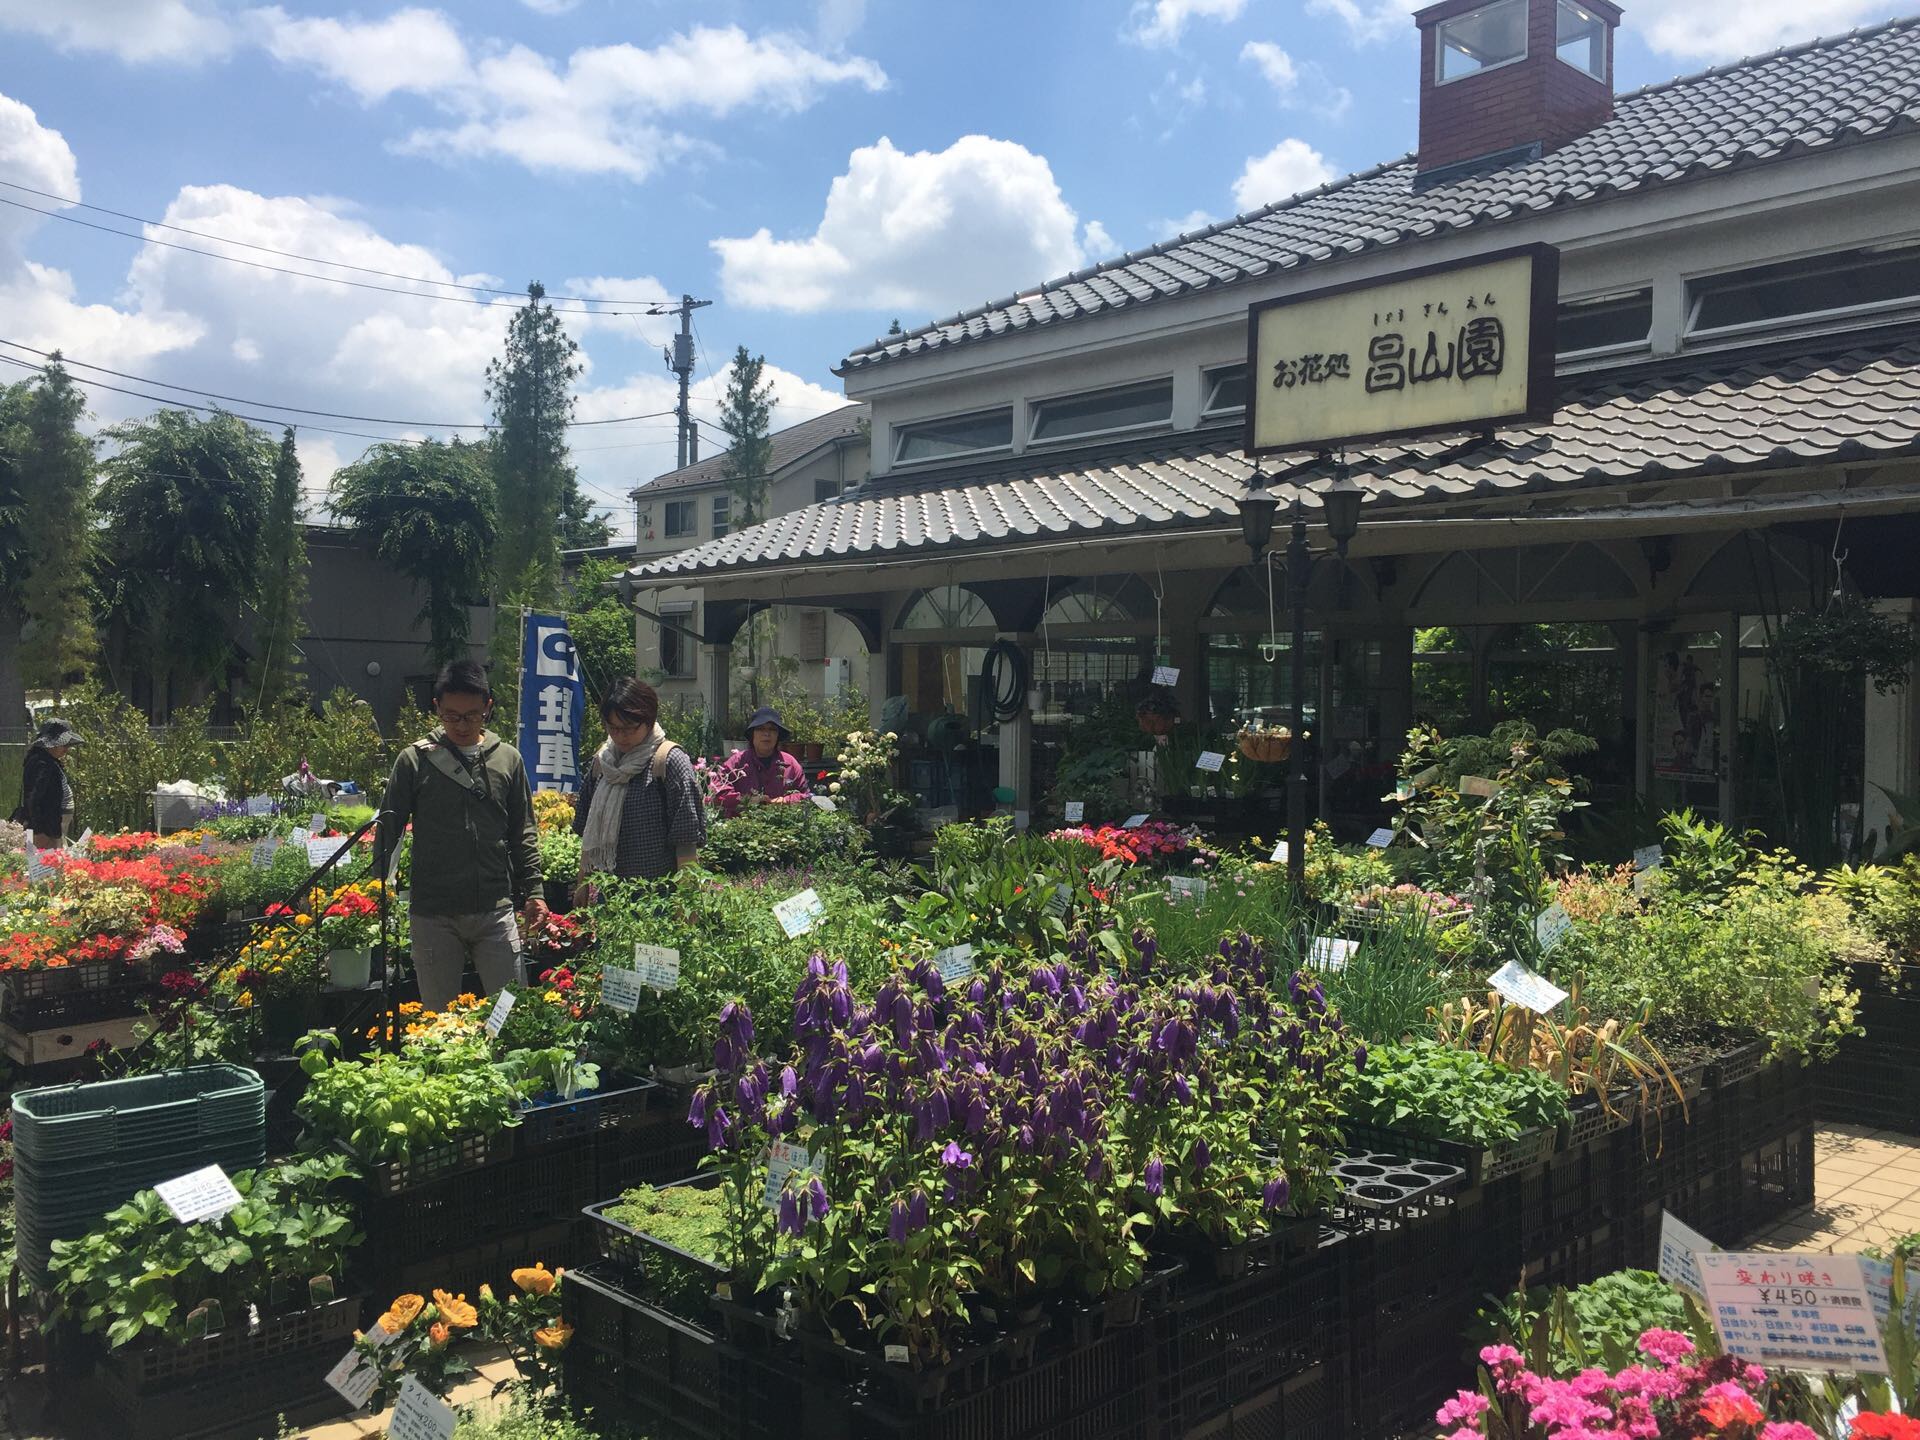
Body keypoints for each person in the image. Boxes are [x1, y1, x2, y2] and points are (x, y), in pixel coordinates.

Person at [378, 660, 545, 1012]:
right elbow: (388, 830)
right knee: (441, 1023)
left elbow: (523, 832)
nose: (461, 725)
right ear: (436, 708)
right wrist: (379, 885)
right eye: (451, 716)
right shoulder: (414, 761)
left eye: (471, 716)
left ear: (488, 707)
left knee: (512, 1013)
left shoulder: (508, 760)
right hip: (433, 915)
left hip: (495, 912)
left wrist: (536, 892)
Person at [572, 678, 708, 895]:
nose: (620, 736)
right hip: (610, 895)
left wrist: (686, 904)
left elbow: (686, 840)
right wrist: (582, 883)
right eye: (613, 728)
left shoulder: (669, 761)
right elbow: (589, 830)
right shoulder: (603, 762)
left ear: (648, 720)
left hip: (660, 899)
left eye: (628, 729)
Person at [716, 707, 811, 802]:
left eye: (772, 729)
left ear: (778, 735)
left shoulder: (790, 763)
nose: (767, 734)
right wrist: (748, 801)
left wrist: (784, 801)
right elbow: (718, 794)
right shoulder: (736, 763)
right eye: (761, 728)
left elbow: (806, 795)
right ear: (752, 734)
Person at [12, 719, 80, 849]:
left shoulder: (49, 761)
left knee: (56, 859)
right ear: (51, 744)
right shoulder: (41, 763)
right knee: (48, 862)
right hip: (46, 827)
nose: (66, 749)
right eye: (63, 745)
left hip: (53, 823)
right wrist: (41, 830)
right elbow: (35, 798)